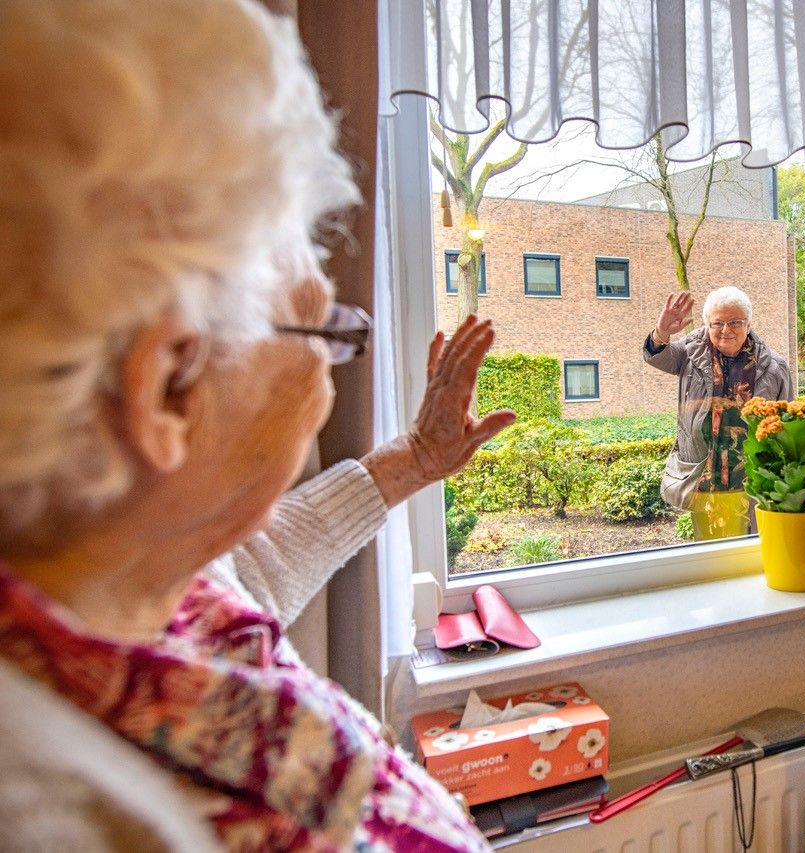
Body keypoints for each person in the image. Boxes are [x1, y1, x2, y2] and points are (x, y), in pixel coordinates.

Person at [0, 0, 514, 848]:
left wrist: (414, 461)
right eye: (325, 328)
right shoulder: (67, 815)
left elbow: (243, 576)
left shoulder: (117, 572)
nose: (327, 374)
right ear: (168, 387)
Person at [642, 287, 793, 537]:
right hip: (704, 473)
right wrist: (662, 333)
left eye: (735, 322)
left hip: (752, 474)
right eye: (718, 323)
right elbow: (657, 356)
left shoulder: (774, 367)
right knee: (709, 550)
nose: (726, 330)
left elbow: (786, 423)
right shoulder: (689, 353)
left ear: (748, 323)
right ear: (707, 324)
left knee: (752, 544)